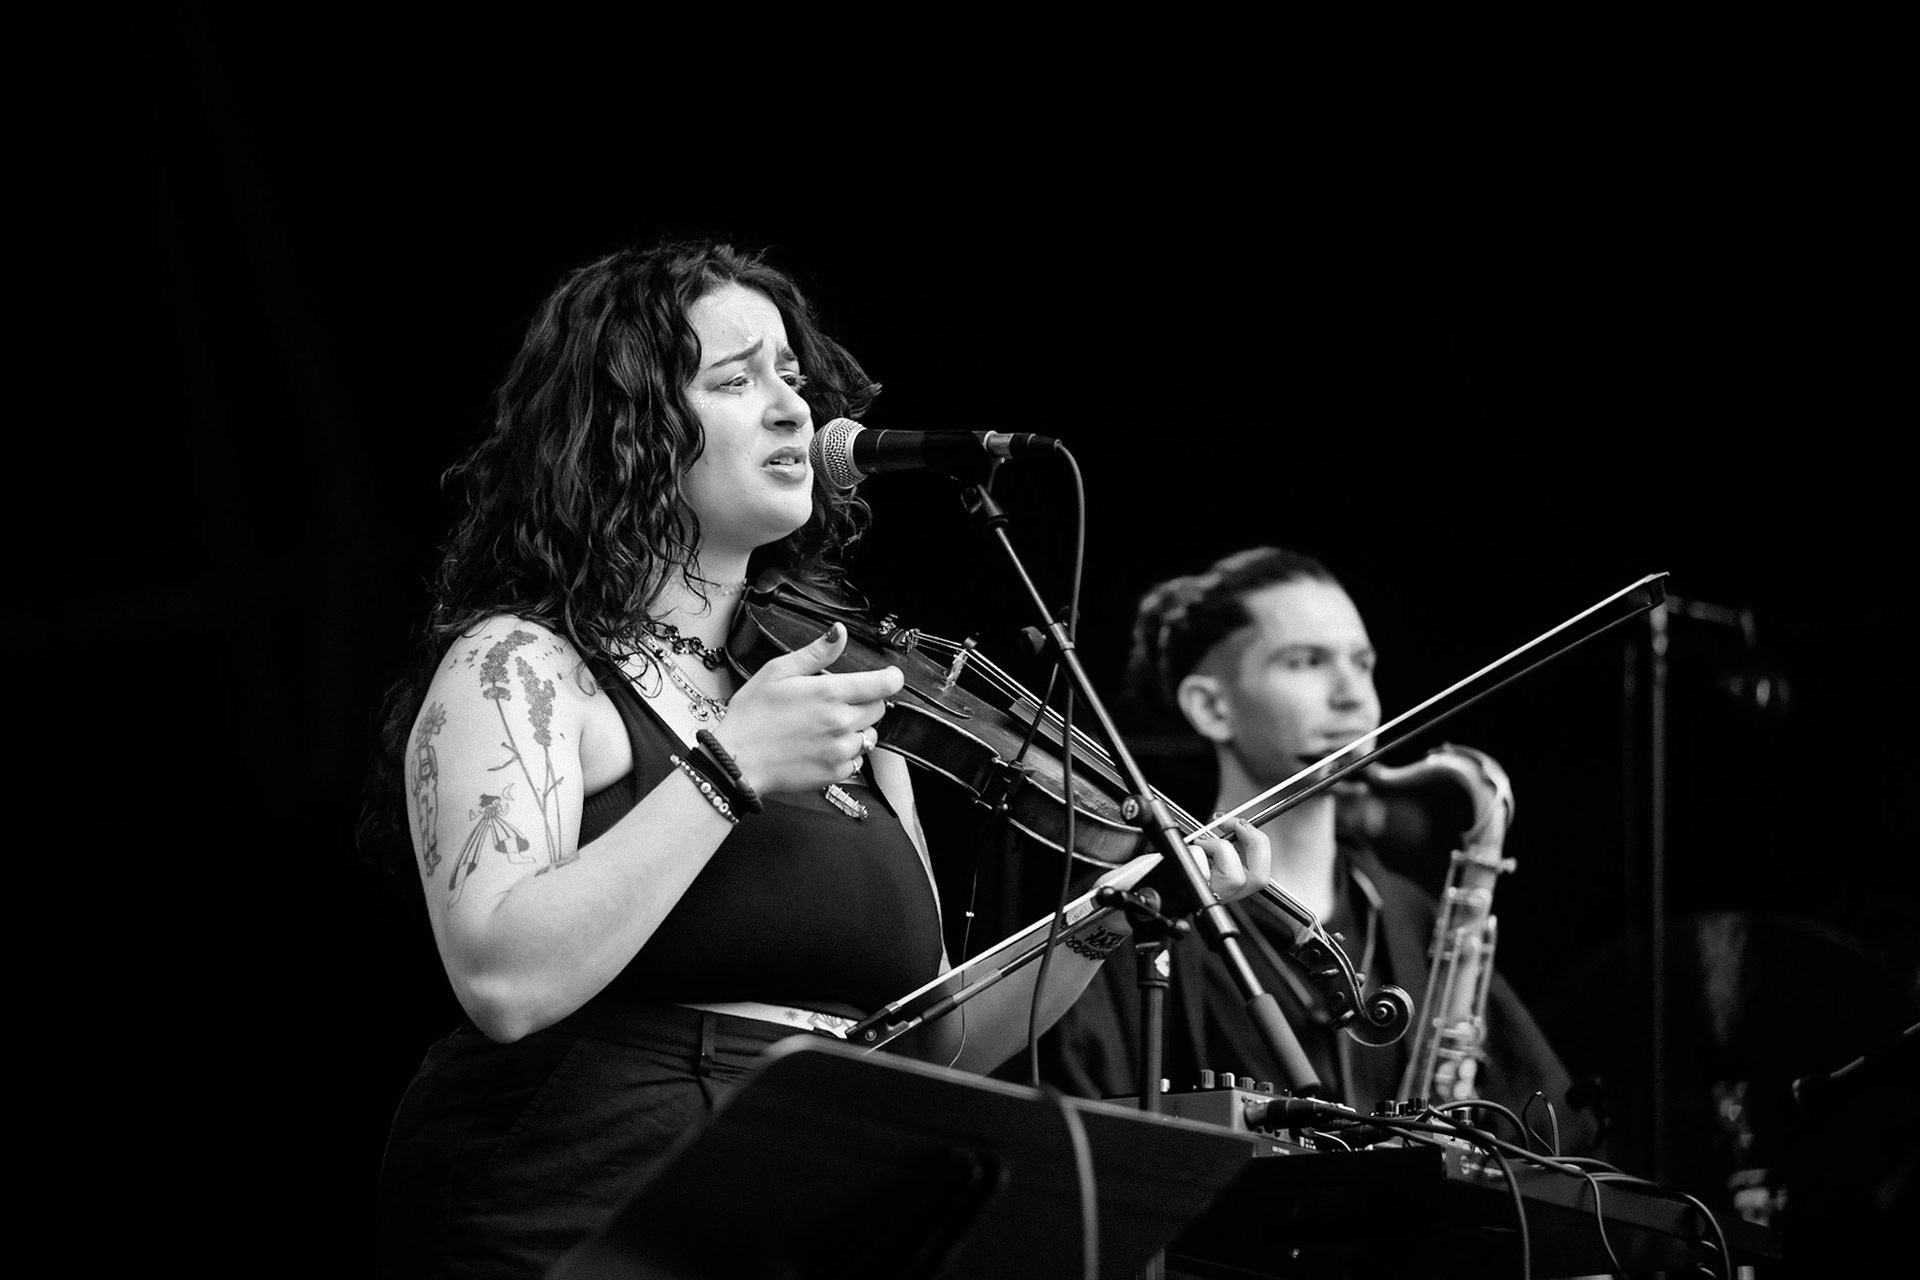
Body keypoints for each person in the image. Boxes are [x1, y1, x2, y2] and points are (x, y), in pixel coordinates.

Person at [362, 239, 1272, 1278]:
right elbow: (504, 975)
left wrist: (1103, 923)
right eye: (737, 379)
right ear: (626, 426)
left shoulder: (840, 700)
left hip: (825, 1182)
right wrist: (725, 767)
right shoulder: (523, 665)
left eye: (792, 377)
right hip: (585, 1178)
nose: (795, 408)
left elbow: (930, 1044)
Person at [1036, 545, 1597, 1151]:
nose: (1353, 697)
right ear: (1210, 706)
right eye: (1306, 662)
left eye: (1363, 663)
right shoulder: (1131, 914)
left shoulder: (1416, 920)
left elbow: (1562, 1149)